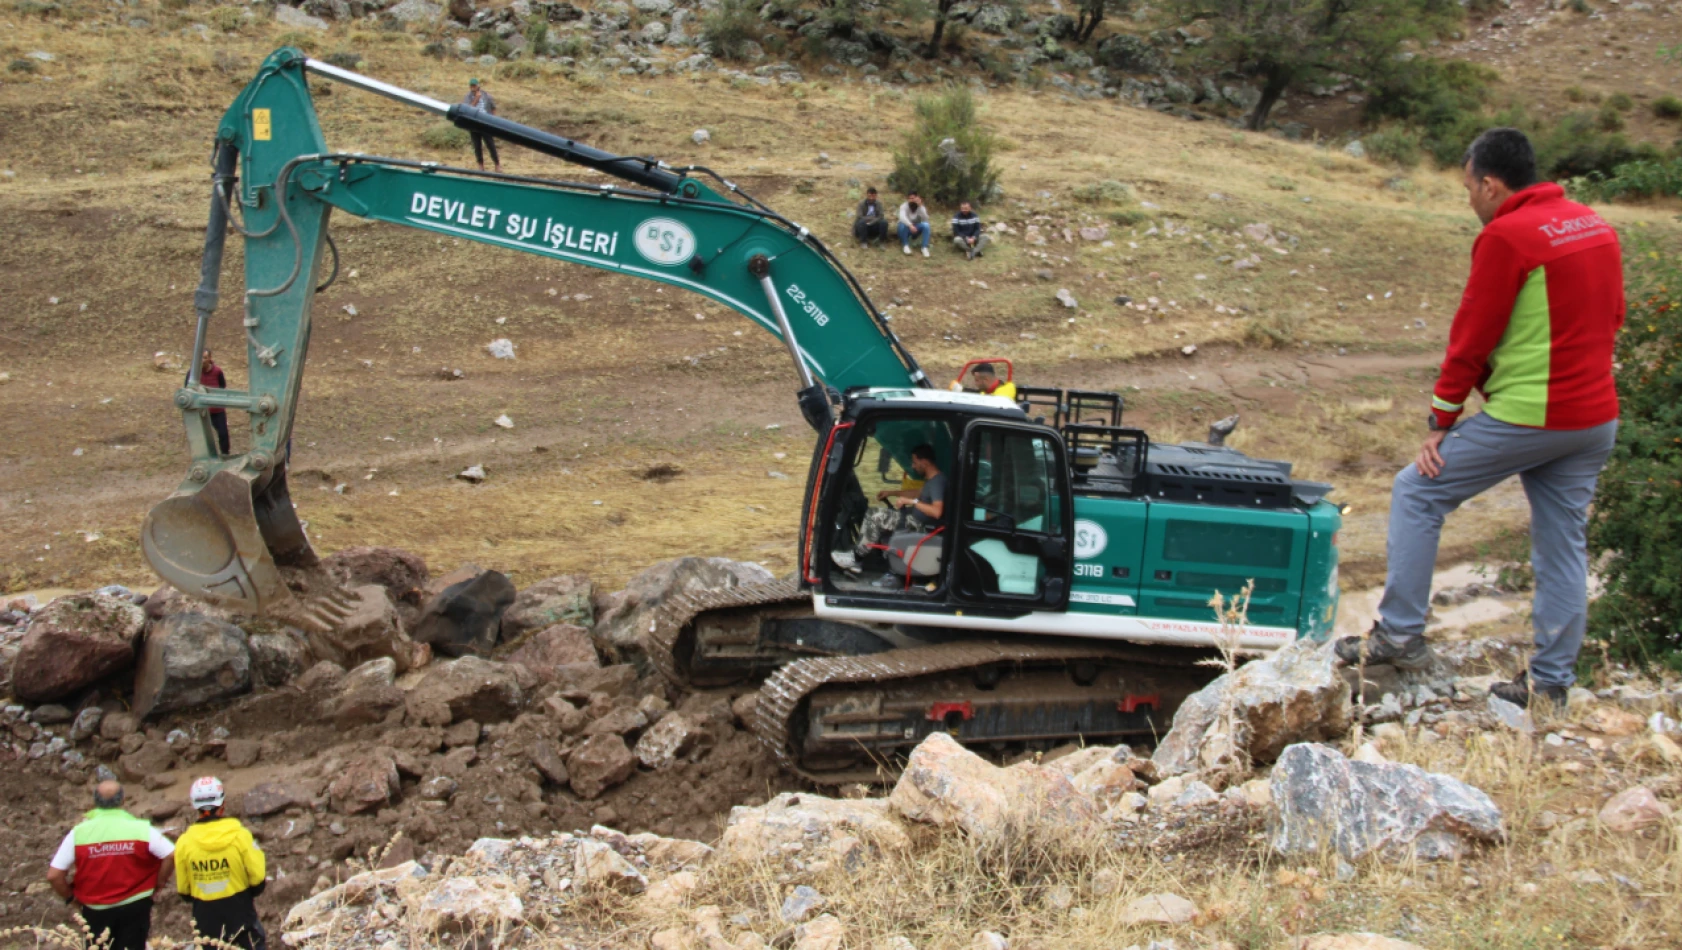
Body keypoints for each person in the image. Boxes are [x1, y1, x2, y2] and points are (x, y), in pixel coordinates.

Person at [1334, 128, 1623, 709]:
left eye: (1469, 188)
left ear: (1491, 184)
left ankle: (1398, 636)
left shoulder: (1508, 236)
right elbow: (1614, 315)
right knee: (1563, 547)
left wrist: (1442, 418)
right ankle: (1550, 687)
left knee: (1417, 489)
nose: (1469, 201)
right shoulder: (1593, 223)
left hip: (1534, 414)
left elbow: (1473, 334)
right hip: (1595, 417)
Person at [47, 780, 175, 950]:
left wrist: (72, 898)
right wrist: (159, 883)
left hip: (96, 909)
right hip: (135, 905)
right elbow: (171, 854)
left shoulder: (78, 833)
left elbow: (54, 875)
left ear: (95, 802)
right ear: (123, 801)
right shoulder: (140, 829)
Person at [175, 777, 268, 950]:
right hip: (240, 914)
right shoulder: (241, 835)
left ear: (194, 805)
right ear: (222, 803)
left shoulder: (184, 842)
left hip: (205, 919)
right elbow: (258, 880)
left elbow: (184, 891)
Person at [836, 444, 947, 576]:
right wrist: (891, 492)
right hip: (912, 519)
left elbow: (937, 511)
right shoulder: (933, 480)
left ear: (924, 462)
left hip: (919, 525)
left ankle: (856, 558)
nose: (913, 466)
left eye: (915, 462)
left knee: (875, 515)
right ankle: (884, 562)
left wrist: (912, 502)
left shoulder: (937, 483)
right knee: (880, 516)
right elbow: (917, 493)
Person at [462, 78, 501, 173]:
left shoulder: (486, 95)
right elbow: (467, 109)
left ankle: (497, 164)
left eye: (474, 86)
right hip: (474, 124)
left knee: (490, 144)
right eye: (471, 86)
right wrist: (476, 99)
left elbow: (493, 107)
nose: (473, 88)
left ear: (478, 86)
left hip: (485, 122)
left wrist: (493, 120)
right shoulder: (468, 96)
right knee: (477, 145)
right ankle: (480, 165)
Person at [199, 348, 231, 456]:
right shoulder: (193, 373)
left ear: (210, 359)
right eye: (200, 358)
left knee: (223, 433)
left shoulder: (217, 372)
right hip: (202, 410)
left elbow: (222, 387)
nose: (202, 360)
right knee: (203, 435)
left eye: (205, 358)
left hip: (217, 410)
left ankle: (225, 454)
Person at [897, 193, 932, 258]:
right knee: (903, 223)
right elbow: (902, 217)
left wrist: (920, 206)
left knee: (926, 225)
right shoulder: (904, 206)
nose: (912, 200)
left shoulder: (920, 207)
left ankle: (924, 247)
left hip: (914, 228)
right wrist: (910, 225)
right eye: (910, 198)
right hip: (903, 229)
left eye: (913, 198)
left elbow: (926, 219)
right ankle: (905, 245)